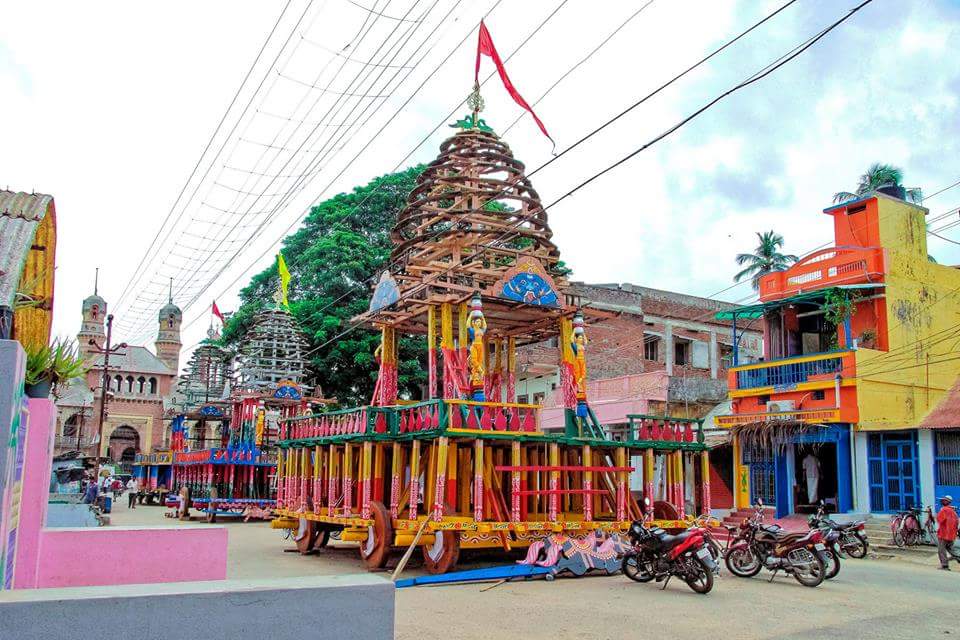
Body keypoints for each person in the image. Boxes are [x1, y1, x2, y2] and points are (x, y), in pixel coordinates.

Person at [936, 495, 959, 571]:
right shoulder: (953, 512)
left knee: (941, 550)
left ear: (947, 502)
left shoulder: (944, 510)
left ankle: (945, 565)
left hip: (943, 534)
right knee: (951, 549)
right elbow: (956, 523)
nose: (942, 501)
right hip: (951, 535)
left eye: (944, 500)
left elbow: (939, 520)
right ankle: (959, 557)